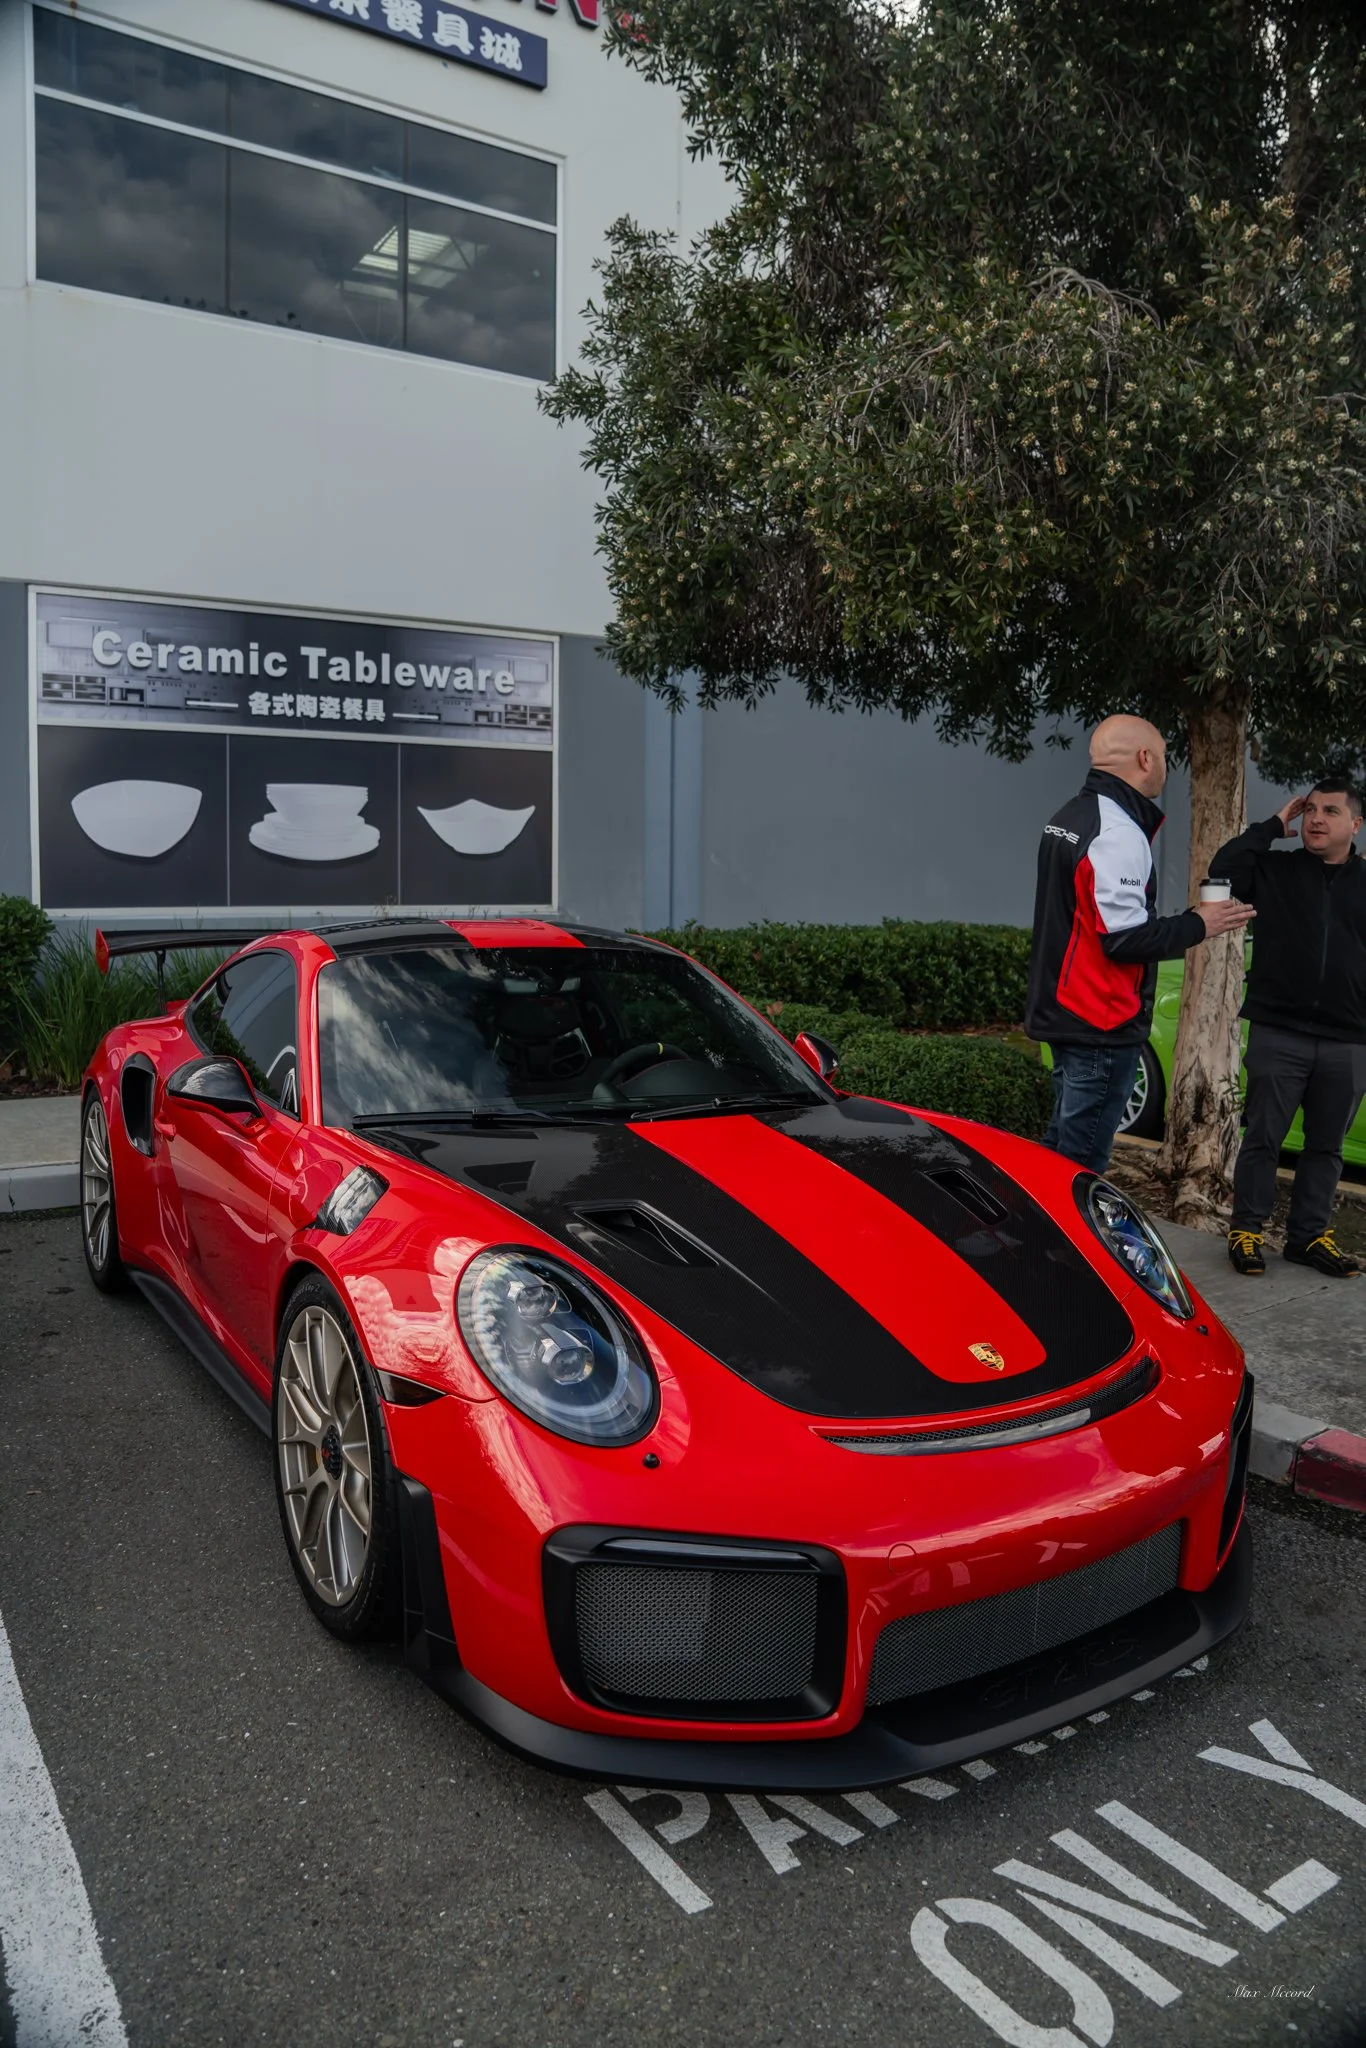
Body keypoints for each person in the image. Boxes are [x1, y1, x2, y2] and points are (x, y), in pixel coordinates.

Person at [1026, 715, 1255, 1173]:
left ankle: (1035, 1237)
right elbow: (1124, 939)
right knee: (1081, 1164)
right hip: (1099, 1024)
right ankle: (1059, 1243)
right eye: (1166, 757)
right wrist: (1200, 923)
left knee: (1060, 1149)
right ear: (1145, 759)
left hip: (1066, 1013)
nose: (1167, 768)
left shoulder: (1070, 815)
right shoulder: (1119, 833)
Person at [1211, 778, 1366, 1277]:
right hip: (1280, 1030)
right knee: (1263, 1137)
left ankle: (1308, 1237)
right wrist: (1273, 825)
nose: (1316, 819)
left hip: (1348, 1039)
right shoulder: (1275, 869)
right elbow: (1223, 869)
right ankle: (1247, 1230)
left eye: (1331, 811)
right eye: (1310, 810)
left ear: (1355, 825)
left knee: (1326, 1146)